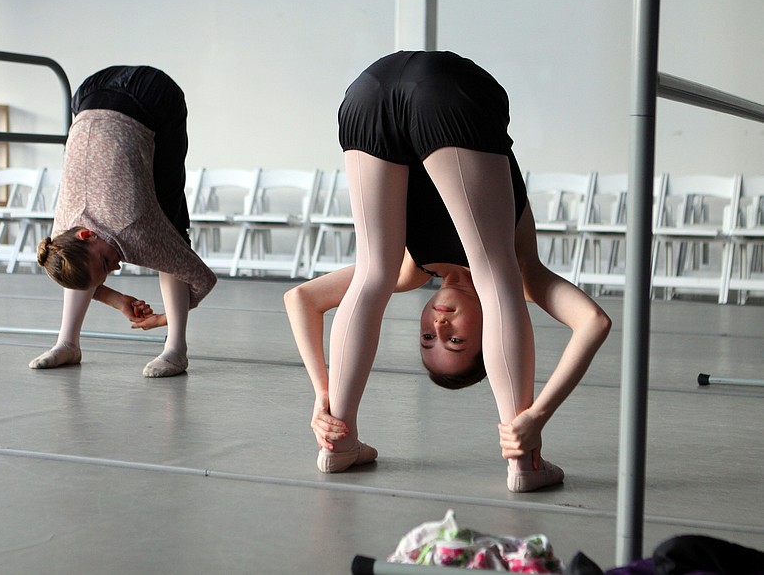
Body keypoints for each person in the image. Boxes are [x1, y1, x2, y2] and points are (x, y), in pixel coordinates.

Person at [284, 51, 611, 492]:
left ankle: (339, 441)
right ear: (486, 338)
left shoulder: (410, 270)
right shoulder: (526, 276)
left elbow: (300, 299)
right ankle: (524, 461)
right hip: (446, 91)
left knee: (371, 274)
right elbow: (593, 322)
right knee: (497, 279)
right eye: (454, 339)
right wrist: (533, 417)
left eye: (428, 337)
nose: (438, 324)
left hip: (370, 92)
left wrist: (325, 396)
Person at [31, 66, 217, 378]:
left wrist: (164, 318)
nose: (116, 268)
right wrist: (118, 300)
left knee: (170, 226)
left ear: (87, 234)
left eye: (106, 262)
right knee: (78, 266)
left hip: (153, 96)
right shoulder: (61, 239)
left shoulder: (135, 230)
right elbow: (80, 272)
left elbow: (202, 278)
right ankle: (68, 342)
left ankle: (176, 349)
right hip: (89, 91)